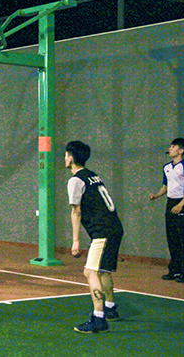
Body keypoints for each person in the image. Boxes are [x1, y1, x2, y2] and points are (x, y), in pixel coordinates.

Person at [65, 140, 124, 334]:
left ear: (71, 158)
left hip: (102, 231)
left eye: (66, 155)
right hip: (114, 227)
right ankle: (110, 308)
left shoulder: (76, 180)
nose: (64, 158)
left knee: (90, 272)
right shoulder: (93, 175)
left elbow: (76, 211)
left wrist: (75, 241)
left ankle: (99, 319)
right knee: (103, 270)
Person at [148, 138, 184, 283]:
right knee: (172, 238)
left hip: (182, 204)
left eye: (173, 146)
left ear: (181, 150)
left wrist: (181, 204)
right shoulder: (166, 167)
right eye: (170, 146)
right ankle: (174, 270)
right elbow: (166, 185)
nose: (170, 148)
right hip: (170, 204)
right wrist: (156, 195)